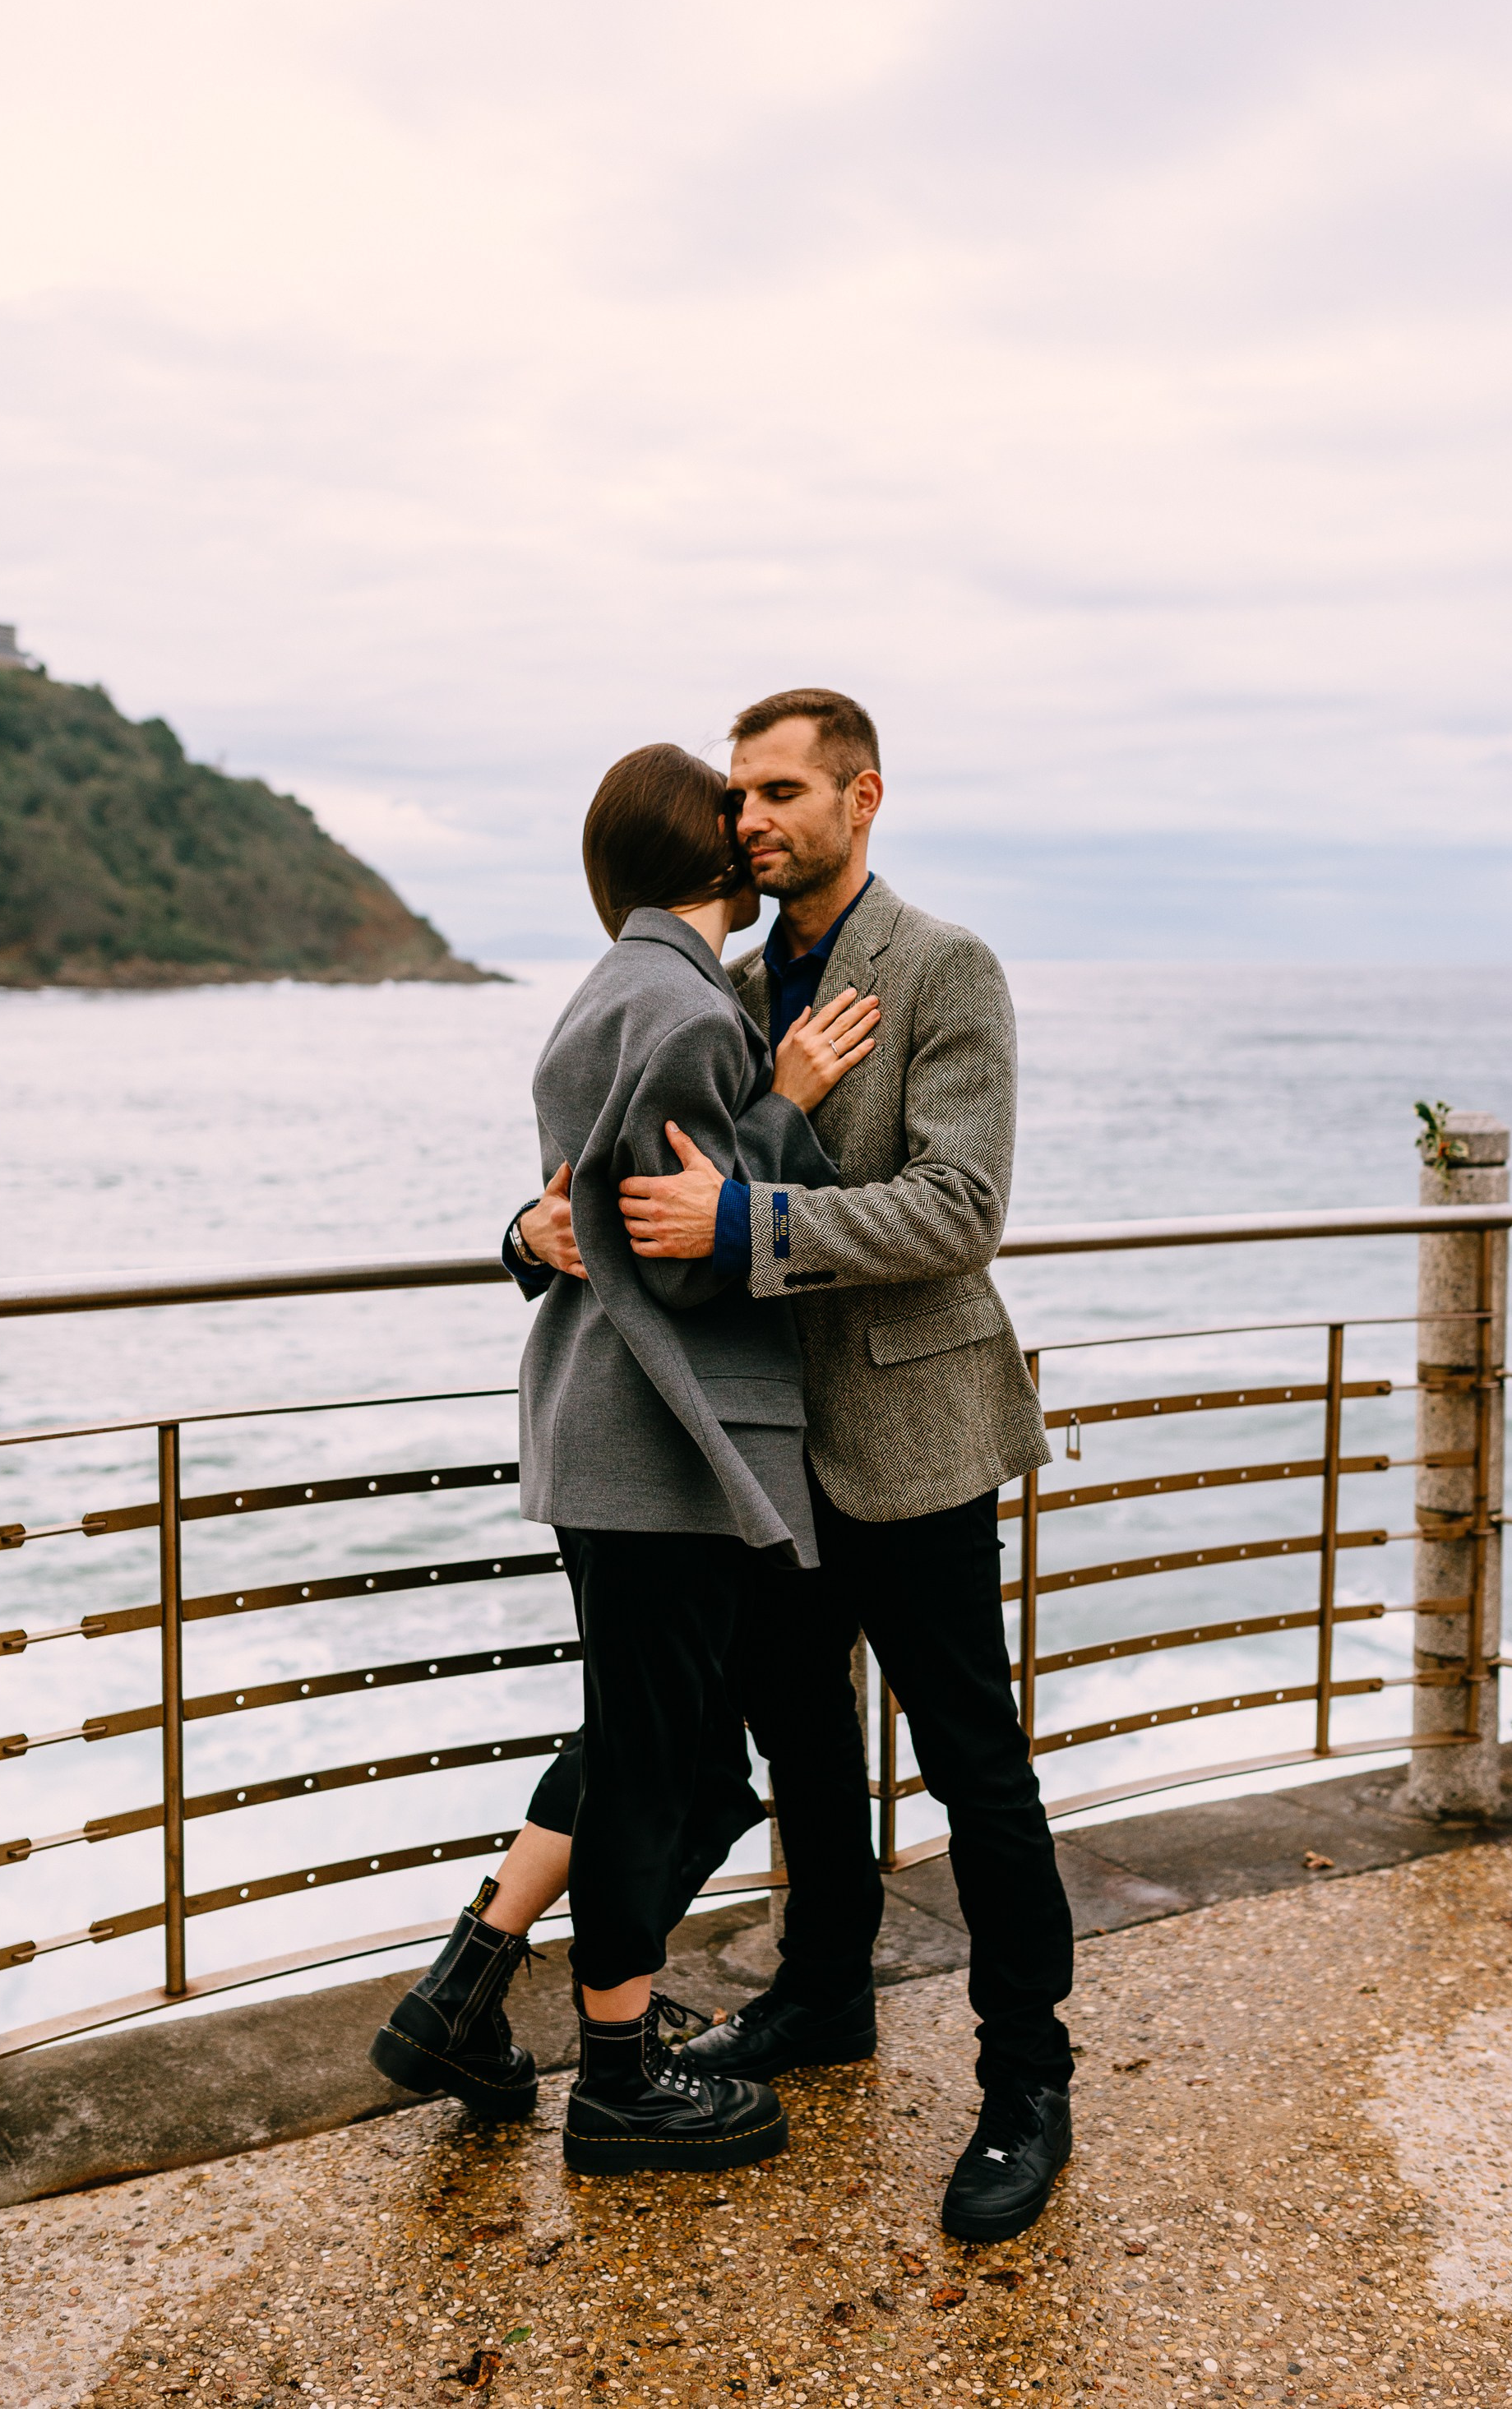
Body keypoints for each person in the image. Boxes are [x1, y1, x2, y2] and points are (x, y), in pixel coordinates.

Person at [370, 742, 879, 2174]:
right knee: (664, 1760)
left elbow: (580, 1209)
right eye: (741, 813)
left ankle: (466, 1989)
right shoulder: (690, 1015)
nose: (758, 828)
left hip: (609, 1430)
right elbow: (695, 1254)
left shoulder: (607, 991)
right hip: (668, 1438)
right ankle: (614, 2072)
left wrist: (537, 1233)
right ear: (716, 855)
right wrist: (782, 1101)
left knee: (658, 1743)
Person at [614, 689, 1076, 2243]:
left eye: (783, 791)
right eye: (740, 793)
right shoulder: (727, 989)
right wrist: (534, 1235)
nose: (751, 818)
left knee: (974, 1768)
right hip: (766, 1460)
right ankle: (826, 2005)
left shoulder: (943, 967)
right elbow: (641, 1174)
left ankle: (1026, 2076)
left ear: (862, 796)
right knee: (805, 1754)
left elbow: (960, 1208)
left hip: (918, 1433)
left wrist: (751, 1228)